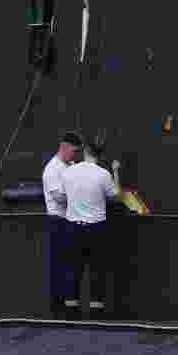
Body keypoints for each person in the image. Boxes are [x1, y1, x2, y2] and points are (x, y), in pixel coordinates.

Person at [59, 137, 122, 318]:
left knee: (73, 268)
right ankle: (96, 313)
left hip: (72, 227)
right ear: (100, 154)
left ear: (85, 151)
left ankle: (70, 312)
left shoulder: (68, 172)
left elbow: (62, 197)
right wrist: (116, 171)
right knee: (97, 269)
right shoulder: (104, 174)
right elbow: (116, 196)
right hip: (96, 228)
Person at [42, 131, 83, 316]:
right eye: (74, 151)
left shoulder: (72, 166)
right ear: (64, 147)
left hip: (71, 220)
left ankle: (70, 306)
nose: (75, 155)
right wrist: (81, 197)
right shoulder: (52, 169)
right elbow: (58, 197)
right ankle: (56, 309)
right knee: (58, 265)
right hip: (57, 221)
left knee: (71, 264)